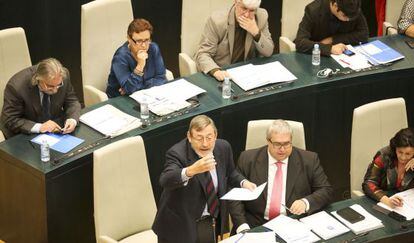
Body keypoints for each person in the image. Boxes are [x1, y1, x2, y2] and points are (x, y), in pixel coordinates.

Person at [152, 115, 256, 243]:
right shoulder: (177, 153)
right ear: (189, 137)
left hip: (210, 221)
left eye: (209, 137)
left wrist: (244, 182)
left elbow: (230, 172)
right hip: (180, 225)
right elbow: (165, 180)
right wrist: (192, 170)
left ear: (215, 135)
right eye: (199, 138)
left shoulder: (223, 147)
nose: (205, 144)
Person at [229, 119, 333, 233]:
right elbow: (235, 194)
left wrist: (305, 202)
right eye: (277, 144)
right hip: (255, 224)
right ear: (268, 141)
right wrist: (242, 225)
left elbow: (326, 190)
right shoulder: (247, 158)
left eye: (287, 143)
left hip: (293, 223)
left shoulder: (309, 160)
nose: (282, 149)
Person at [0, 58, 81, 139]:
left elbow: (72, 101)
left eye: (59, 85)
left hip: (54, 130)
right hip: (23, 134)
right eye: (50, 86)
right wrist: (39, 127)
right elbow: (10, 119)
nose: (55, 90)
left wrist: (72, 119)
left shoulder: (63, 76)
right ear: (38, 79)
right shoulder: (16, 87)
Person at [194, 0, 274, 81]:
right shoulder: (217, 21)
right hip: (222, 72)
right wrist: (216, 71)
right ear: (236, 2)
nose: (246, 15)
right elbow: (203, 54)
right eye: (244, 9)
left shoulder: (261, 16)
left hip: (248, 74)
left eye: (252, 10)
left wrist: (256, 33)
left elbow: (268, 52)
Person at [106, 18, 167, 98]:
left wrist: (137, 87)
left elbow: (161, 78)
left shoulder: (153, 48)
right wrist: (140, 65)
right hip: (120, 99)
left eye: (147, 40)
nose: (144, 45)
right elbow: (129, 89)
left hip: (148, 95)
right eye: (139, 41)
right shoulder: (120, 57)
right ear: (129, 39)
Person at [362, 128, 414, 208]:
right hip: (383, 201)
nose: (403, 158)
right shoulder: (383, 155)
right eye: (400, 152)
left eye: (408, 154)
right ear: (395, 148)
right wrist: (387, 201)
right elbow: (369, 183)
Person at [294, 0, 369, 56]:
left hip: (340, 56)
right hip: (313, 55)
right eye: (345, 16)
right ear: (335, 5)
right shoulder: (313, 10)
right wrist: (329, 49)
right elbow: (300, 42)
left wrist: (332, 40)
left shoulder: (353, 8)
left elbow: (364, 34)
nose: (348, 19)